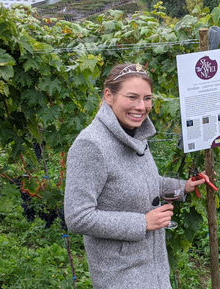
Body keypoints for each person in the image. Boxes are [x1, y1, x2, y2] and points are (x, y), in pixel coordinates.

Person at [63, 63, 205, 289]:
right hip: (121, 273)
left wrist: (184, 186)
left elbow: (147, 184)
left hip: (153, 264)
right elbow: (77, 216)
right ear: (109, 95)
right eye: (132, 97)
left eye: (147, 98)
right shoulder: (91, 145)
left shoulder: (136, 134)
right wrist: (142, 222)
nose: (141, 106)